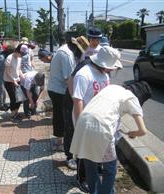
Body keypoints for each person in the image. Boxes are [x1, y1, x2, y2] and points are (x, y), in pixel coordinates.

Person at [70, 81, 152, 194]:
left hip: (83, 122)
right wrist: (132, 133)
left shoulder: (113, 87)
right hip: (101, 129)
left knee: (90, 166)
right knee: (110, 169)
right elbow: (142, 130)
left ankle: (95, 191)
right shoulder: (132, 98)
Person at [71, 46, 123, 192]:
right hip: (88, 126)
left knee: (109, 167)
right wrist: (80, 128)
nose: (112, 70)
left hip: (104, 126)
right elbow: (77, 100)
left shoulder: (105, 76)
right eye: (111, 67)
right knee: (91, 165)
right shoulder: (84, 74)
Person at [47, 35, 83, 152]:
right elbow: (69, 78)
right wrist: (74, 97)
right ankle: (59, 143)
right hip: (59, 90)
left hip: (56, 88)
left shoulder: (64, 50)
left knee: (59, 115)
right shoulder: (67, 54)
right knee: (62, 116)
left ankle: (59, 140)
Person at [63, 36, 90, 171]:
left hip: (74, 98)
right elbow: (69, 80)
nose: (71, 49)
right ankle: (70, 157)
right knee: (70, 128)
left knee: (72, 128)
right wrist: (76, 99)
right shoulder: (81, 62)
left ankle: (74, 155)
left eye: (73, 47)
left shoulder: (83, 59)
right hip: (72, 99)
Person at [3, 44, 24, 121]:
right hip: (9, 81)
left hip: (17, 80)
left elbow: (18, 69)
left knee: (20, 98)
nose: (21, 56)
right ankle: (12, 115)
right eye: (21, 54)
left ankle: (16, 113)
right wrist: (13, 80)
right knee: (13, 98)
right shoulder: (9, 58)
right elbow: (8, 72)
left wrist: (22, 76)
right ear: (16, 51)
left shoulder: (19, 58)